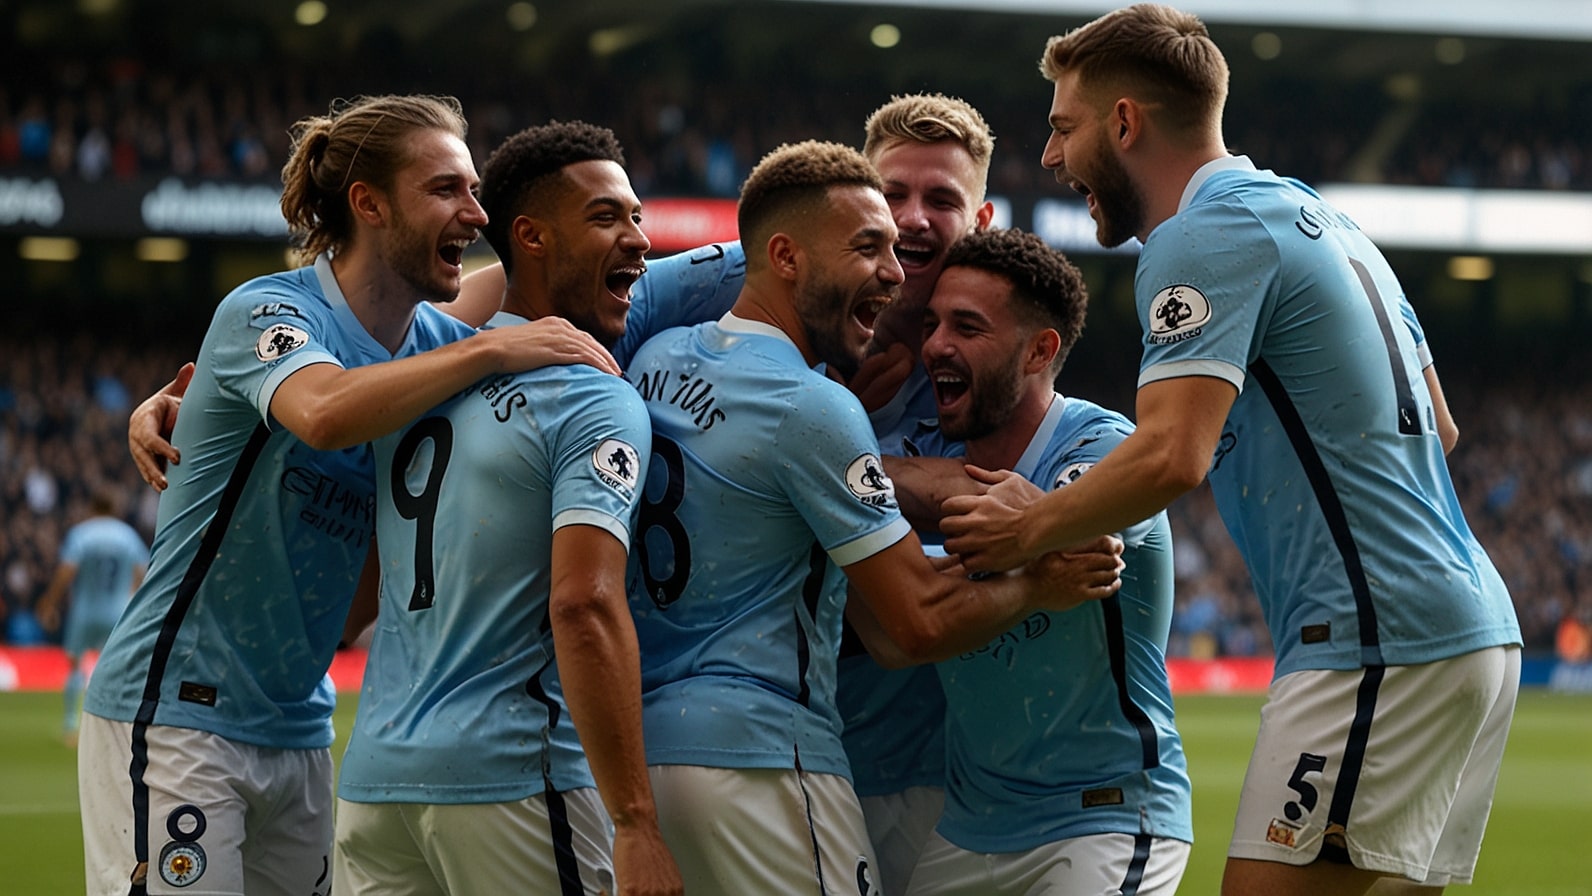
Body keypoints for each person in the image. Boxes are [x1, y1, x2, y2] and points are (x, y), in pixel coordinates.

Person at [939, 7, 1521, 895]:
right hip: (1471, 633)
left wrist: (1028, 529)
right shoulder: (1320, 220)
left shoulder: (1199, 234)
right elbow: (1439, 428)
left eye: (1064, 126)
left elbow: (1174, 454)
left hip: (1375, 639)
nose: (1051, 155)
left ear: (1125, 122)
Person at [79, 94, 615, 896]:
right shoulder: (268, 311)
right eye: (447, 191)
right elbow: (325, 413)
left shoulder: (440, 344)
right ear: (367, 203)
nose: (476, 213)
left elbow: (554, 259)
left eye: (476, 191)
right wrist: (497, 348)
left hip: (302, 724)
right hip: (176, 712)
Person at [621, 139, 1124, 895]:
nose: (893, 272)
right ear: (786, 256)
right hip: (767, 751)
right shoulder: (815, 405)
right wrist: (1038, 582)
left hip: (647, 743)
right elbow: (914, 622)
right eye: (869, 244)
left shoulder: (656, 356)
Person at [333, 120, 681, 896]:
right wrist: (635, 823)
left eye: (636, 218)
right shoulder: (591, 395)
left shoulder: (415, 377)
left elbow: (366, 576)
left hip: (376, 783)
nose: (636, 240)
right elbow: (585, 604)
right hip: (513, 779)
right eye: (605, 218)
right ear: (529, 237)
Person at [854, 227, 1191, 895]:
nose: (936, 346)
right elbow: (892, 637)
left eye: (967, 327)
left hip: (1104, 817)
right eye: (933, 323)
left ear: (1040, 349)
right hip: (968, 827)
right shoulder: (929, 453)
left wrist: (925, 552)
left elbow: (1067, 544)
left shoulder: (1100, 446)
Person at [834, 91, 998, 896]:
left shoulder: (1005, 380)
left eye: (942, 199)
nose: (912, 218)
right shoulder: (795, 346)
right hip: (802, 759)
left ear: (984, 220)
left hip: (945, 779)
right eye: (893, 193)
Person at [34, 492, 149, 746]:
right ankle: (120, 724)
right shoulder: (126, 535)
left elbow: (67, 570)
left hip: (85, 611)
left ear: (92, 508)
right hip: (118, 612)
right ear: (114, 508)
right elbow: (142, 570)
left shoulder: (81, 533)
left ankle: (71, 724)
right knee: (120, 668)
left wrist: (50, 600)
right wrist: (134, 597)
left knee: (75, 665)